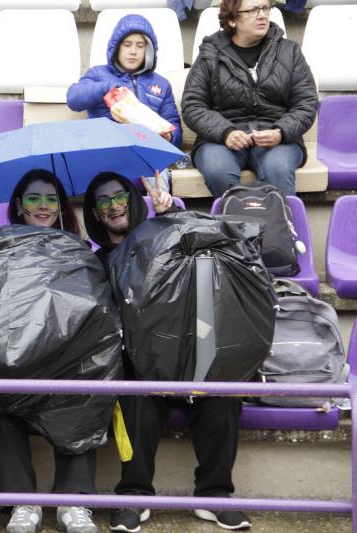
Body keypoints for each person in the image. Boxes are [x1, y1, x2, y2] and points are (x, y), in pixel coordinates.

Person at [82, 172, 250, 532]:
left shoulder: (165, 235)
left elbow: (207, 251)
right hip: (140, 366)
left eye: (119, 196)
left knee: (223, 395)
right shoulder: (98, 261)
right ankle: (134, 495)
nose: (114, 206)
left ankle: (214, 495)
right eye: (104, 201)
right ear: (96, 214)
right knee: (133, 396)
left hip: (190, 355)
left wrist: (171, 213)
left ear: (132, 198)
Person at [0, 169, 98, 533]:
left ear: (61, 205)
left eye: (51, 198)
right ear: (19, 205)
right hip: (17, 355)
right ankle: (22, 502)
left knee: (86, 392)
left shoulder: (78, 248)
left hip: (69, 356)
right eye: (33, 198)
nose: (43, 206)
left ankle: (74, 501)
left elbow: (94, 303)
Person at [181, 0, 318, 198]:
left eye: (265, 8)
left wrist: (280, 131)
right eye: (253, 10)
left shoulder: (290, 52)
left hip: (277, 138)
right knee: (219, 170)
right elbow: (193, 105)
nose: (262, 15)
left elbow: (306, 103)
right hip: (221, 140)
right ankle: (238, 227)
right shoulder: (209, 54)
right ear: (232, 19)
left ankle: (281, 228)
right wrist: (226, 132)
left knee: (278, 170)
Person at [67, 14, 181, 192]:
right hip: (107, 152)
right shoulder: (98, 74)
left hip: (146, 154)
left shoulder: (161, 84)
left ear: (148, 51)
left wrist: (170, 137)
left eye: (140, 45)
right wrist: (106, 87)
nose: (133, 51)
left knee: (157, 170)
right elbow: (73, 98)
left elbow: (174, 125)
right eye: (127, 44)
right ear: (117, 47)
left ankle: (161, 210)